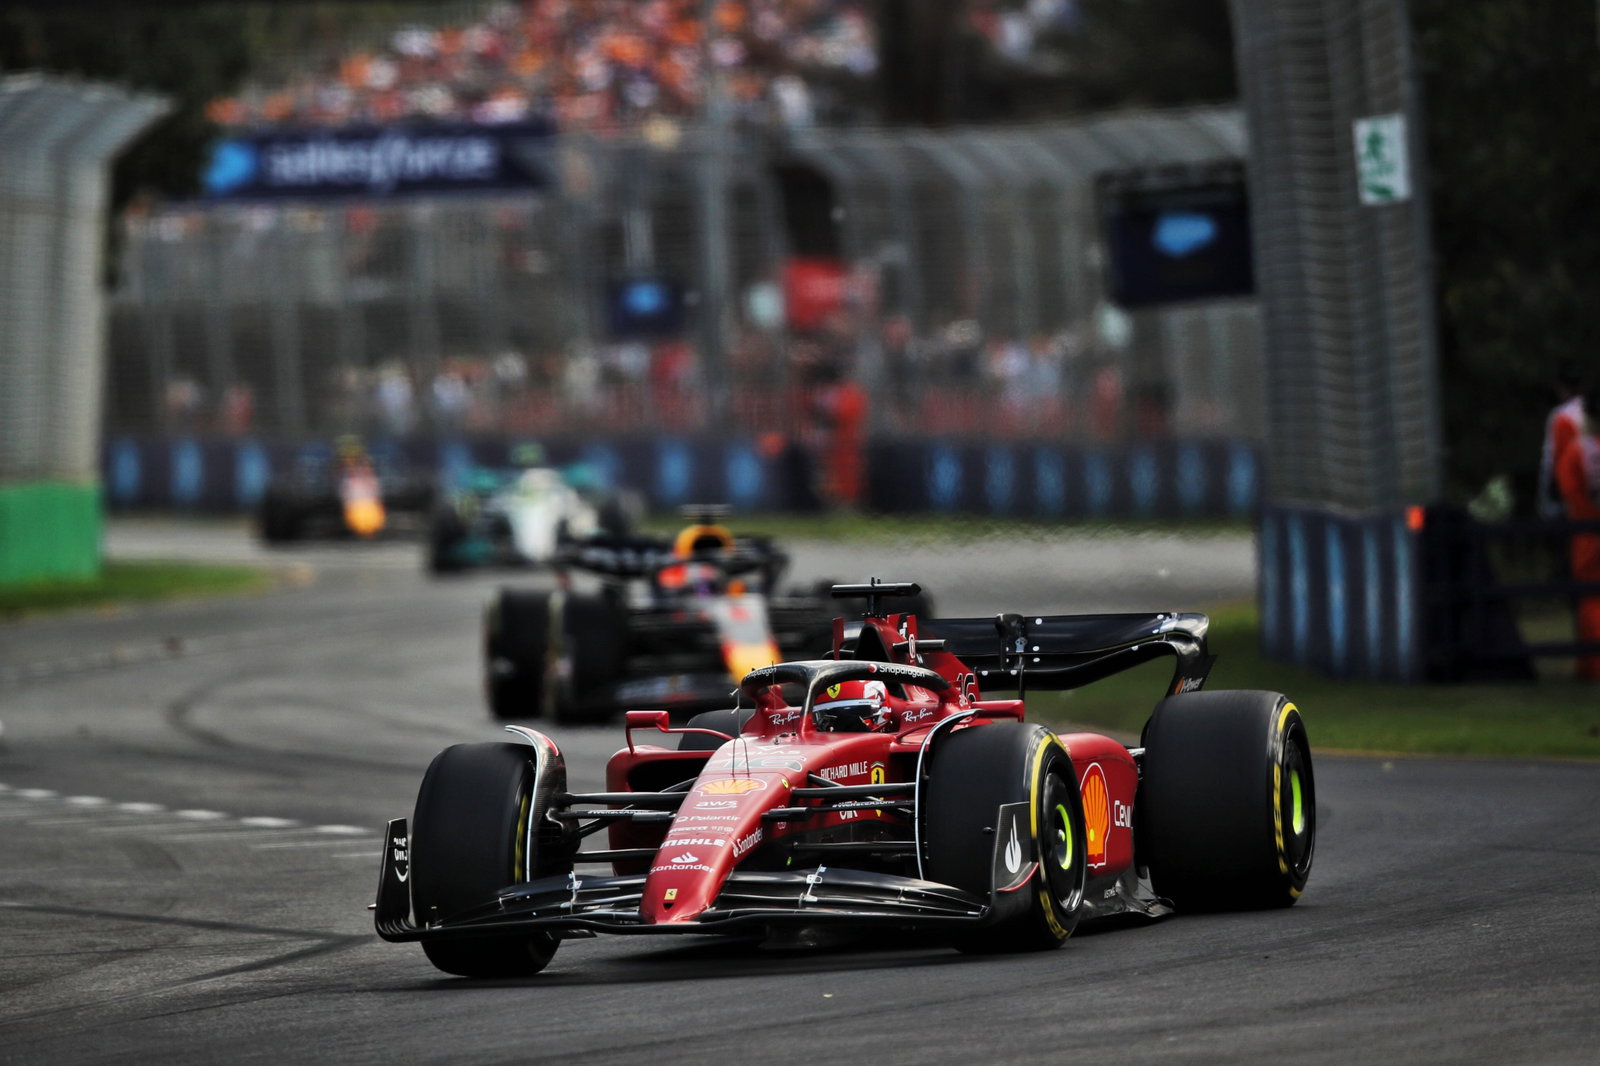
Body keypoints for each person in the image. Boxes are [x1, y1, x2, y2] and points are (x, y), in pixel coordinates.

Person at [1554, 380, 1600, 681]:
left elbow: (1568, 489)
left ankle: (1590, 666)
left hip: (1588, 534)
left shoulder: (1577, 450)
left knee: (1591, 600)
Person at [1538, 360, 1586, 520]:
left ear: (1560, 387)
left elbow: (1550, 459)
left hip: (1569, 493)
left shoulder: (1561, 416)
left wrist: (1545, 501)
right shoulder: (1592, 413)